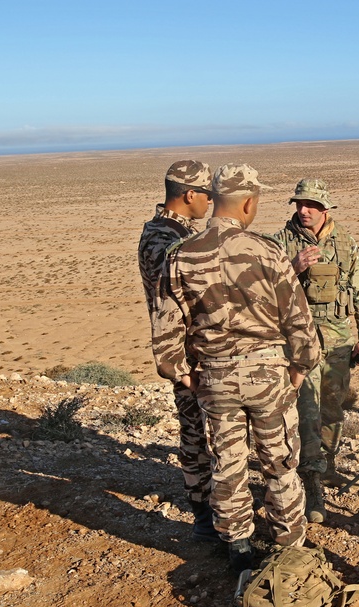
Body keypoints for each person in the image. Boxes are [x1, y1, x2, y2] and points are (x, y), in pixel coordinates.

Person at [152, 164, 321, 572]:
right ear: (248, 203)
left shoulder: (180, 255)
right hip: (268, 375)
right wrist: (299, 368)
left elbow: (166, 329)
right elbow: (299, 323)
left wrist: (184, 374)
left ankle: (238, 548)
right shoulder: (269, 252)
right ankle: (289, 546)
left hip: (214, 376)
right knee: (279, 462)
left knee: (227, 462)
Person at [273, 178, 359, 523]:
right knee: (307, 410)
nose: (303, 211)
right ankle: (311, 480)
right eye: (299, 204)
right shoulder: (280, 243)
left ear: (325, 208)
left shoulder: (345, 243)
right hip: (299, 342)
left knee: (333, 407)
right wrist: (293, 267)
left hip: (338, 341)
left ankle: (327, 465)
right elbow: (259, 288)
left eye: (311, 205)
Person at [137, 159, 218, 542]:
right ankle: (205, 514)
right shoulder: (166, 241)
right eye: (207, 196)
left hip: (192, 351)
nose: (209, 204)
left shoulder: (164, 232)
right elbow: (168, 305)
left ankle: (212, 508)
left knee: (202, 432)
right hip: (189, 354)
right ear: (190, 195)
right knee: (197, 433)